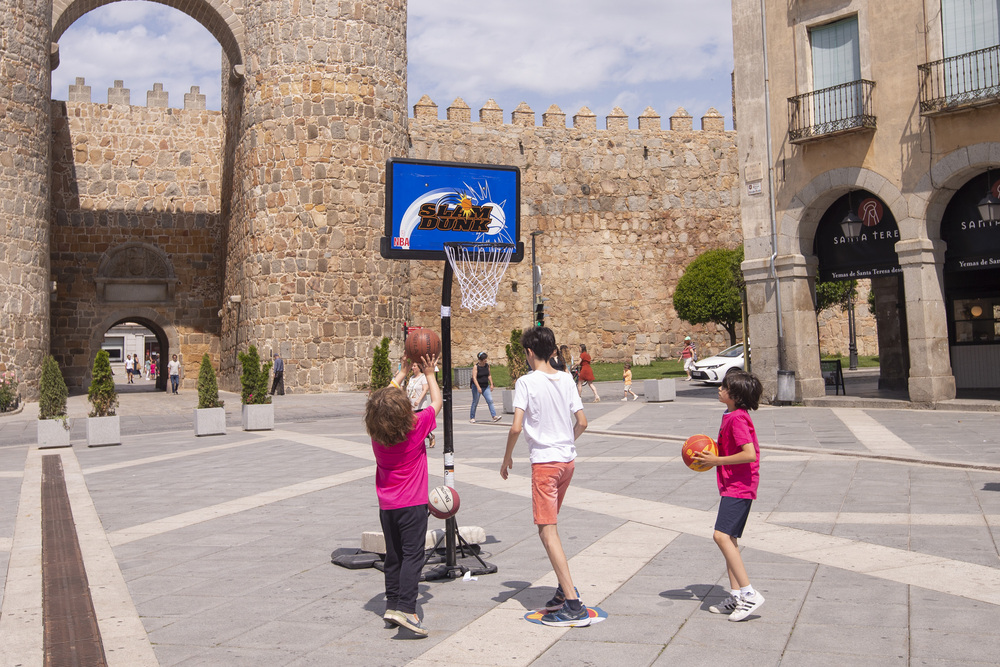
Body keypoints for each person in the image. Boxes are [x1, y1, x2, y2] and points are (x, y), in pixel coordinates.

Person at [501, 326, 590, 627]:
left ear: (528, 352)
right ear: (553, 351)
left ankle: (573, 602)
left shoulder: (525, 382)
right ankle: (562, 591)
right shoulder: (566, 378)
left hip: (545, 465)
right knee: (551, 525)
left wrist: (507, 457)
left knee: (546, 530)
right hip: (567, 462)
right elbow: (582, 422)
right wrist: (566, 442)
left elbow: (515, 427)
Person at [365, 353, 442, 638]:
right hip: (412, 504)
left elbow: (380, 400)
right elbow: (436, 403)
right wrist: (430, 373)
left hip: (387, 505)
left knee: (394, 556)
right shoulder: (415, 426)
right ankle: (407, 609)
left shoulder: (376, 433)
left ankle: (391, 604)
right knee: (413, 556)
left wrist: (401, 372)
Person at [693, 369, 765, 622]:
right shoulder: (731, 415)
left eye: (724, 387)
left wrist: (716, 460)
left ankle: (749, 593)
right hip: (732, 485)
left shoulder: (737, 419)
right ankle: (736, 596)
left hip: (740, 486)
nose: (719, 389)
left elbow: (749, 454)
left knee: (721, 536)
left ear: (734, 395)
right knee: (730, 540)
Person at [406, 361, 435, 448]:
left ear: (419, 367)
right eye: (413, 366)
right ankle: (418, 440)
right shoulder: (411, 378)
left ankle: (430, 435)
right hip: (411, 405)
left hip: (420, 405)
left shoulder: (423, 377)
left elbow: (425, 389)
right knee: (412, 425)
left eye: (415, 366)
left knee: (420, 424)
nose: (413, 368)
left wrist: (419, 400)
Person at [470, 352, 501, 423]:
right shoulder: (476, 367)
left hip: (485, 386)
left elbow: (489, 375)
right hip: (477, 386)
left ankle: (494, 416)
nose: (486, 360)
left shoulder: (487, 365)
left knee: (490, 400)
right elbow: (474, 378)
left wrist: (491, 384)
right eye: (484, 359)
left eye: (486, 359)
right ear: (480, 360)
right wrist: (478, 387)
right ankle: (472, 417)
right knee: (475, 402)